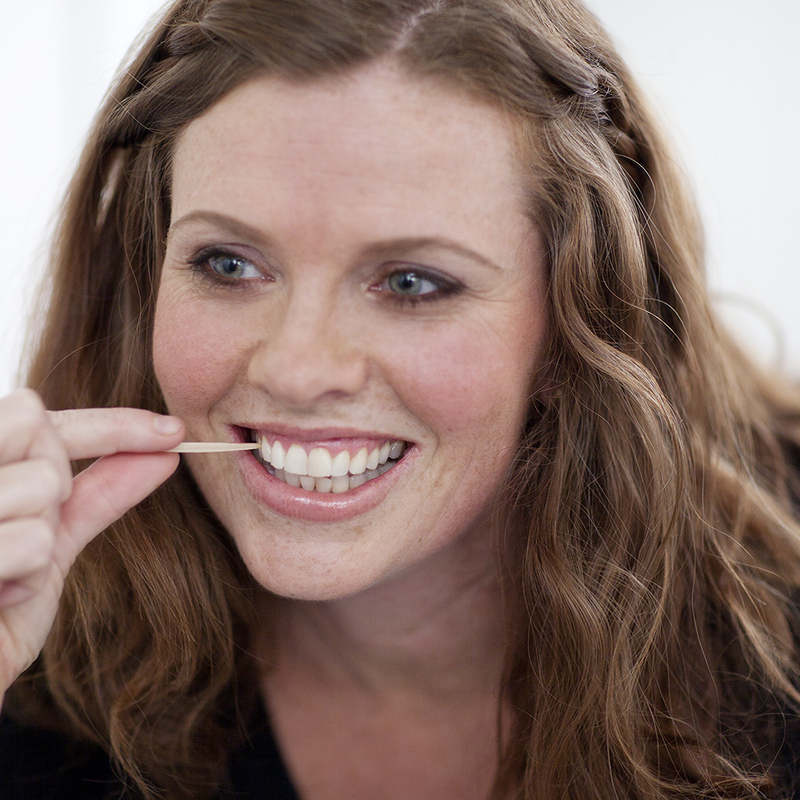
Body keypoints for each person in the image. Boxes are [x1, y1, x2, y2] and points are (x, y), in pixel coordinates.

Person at [2, 0, 800, 798]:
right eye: (228, 264)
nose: (296, 370)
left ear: (578, 317)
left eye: (413, 283)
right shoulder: (33, 650)